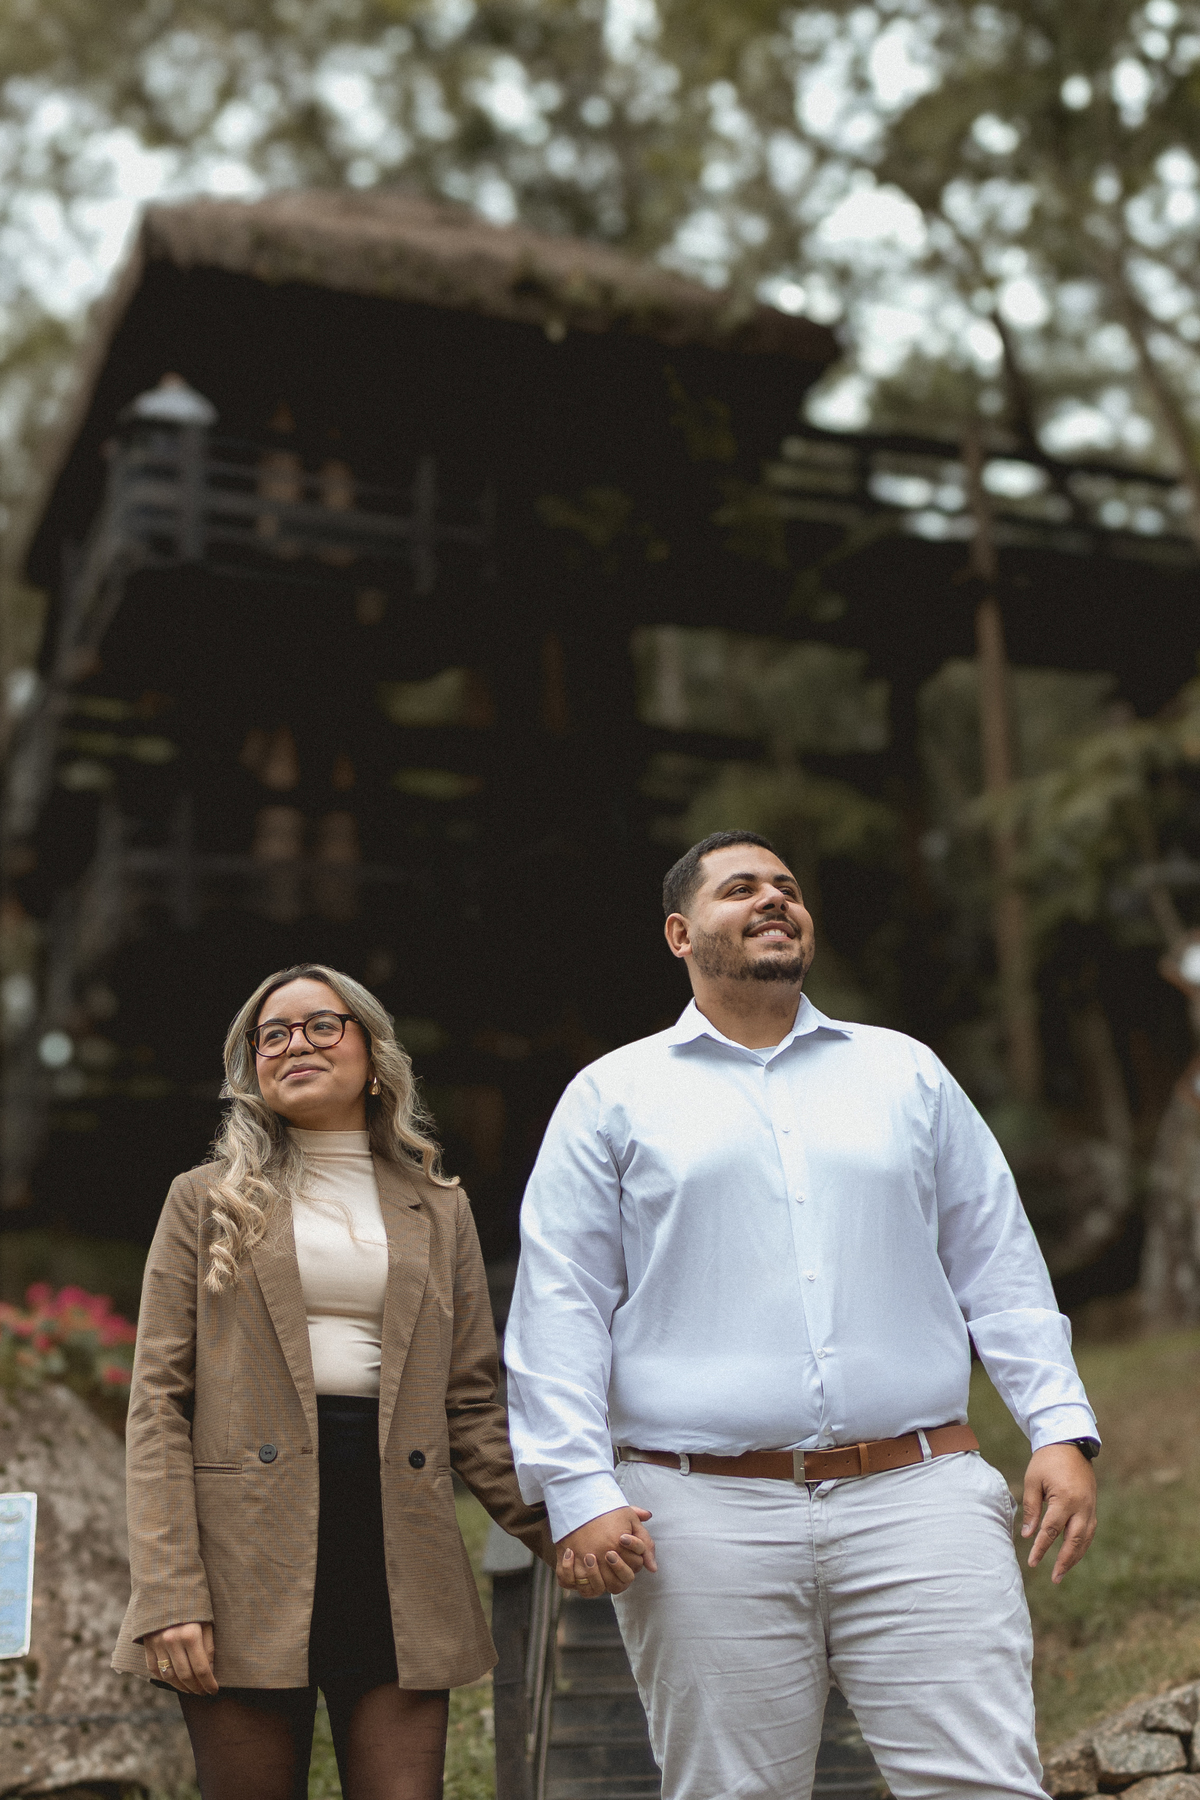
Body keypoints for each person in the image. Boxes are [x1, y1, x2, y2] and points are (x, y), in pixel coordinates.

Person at [504, 831, 1101, 1800]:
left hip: (920, 1496)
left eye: (786, 888)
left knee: (983, 1785)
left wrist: (1060, 1427)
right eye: (740, 890)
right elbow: (560, 1305)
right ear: (678, 932)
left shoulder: (904, 1072)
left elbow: (999, 1261)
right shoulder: (612, 1096)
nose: (774, 901)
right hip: (698, 1514)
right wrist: (576, 1488)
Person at [112, 962, 604, 1800]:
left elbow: (473, 1405)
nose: (295, 1044)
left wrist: (567, 1528)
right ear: (252, 1070)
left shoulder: (438, 1206)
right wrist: (168, 1592)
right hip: (242, 1560)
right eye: (273, 1035)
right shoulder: (203, 1201)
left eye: (320, 1025)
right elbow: (157, 1404)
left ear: (372, 1054)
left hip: (398, 1549)